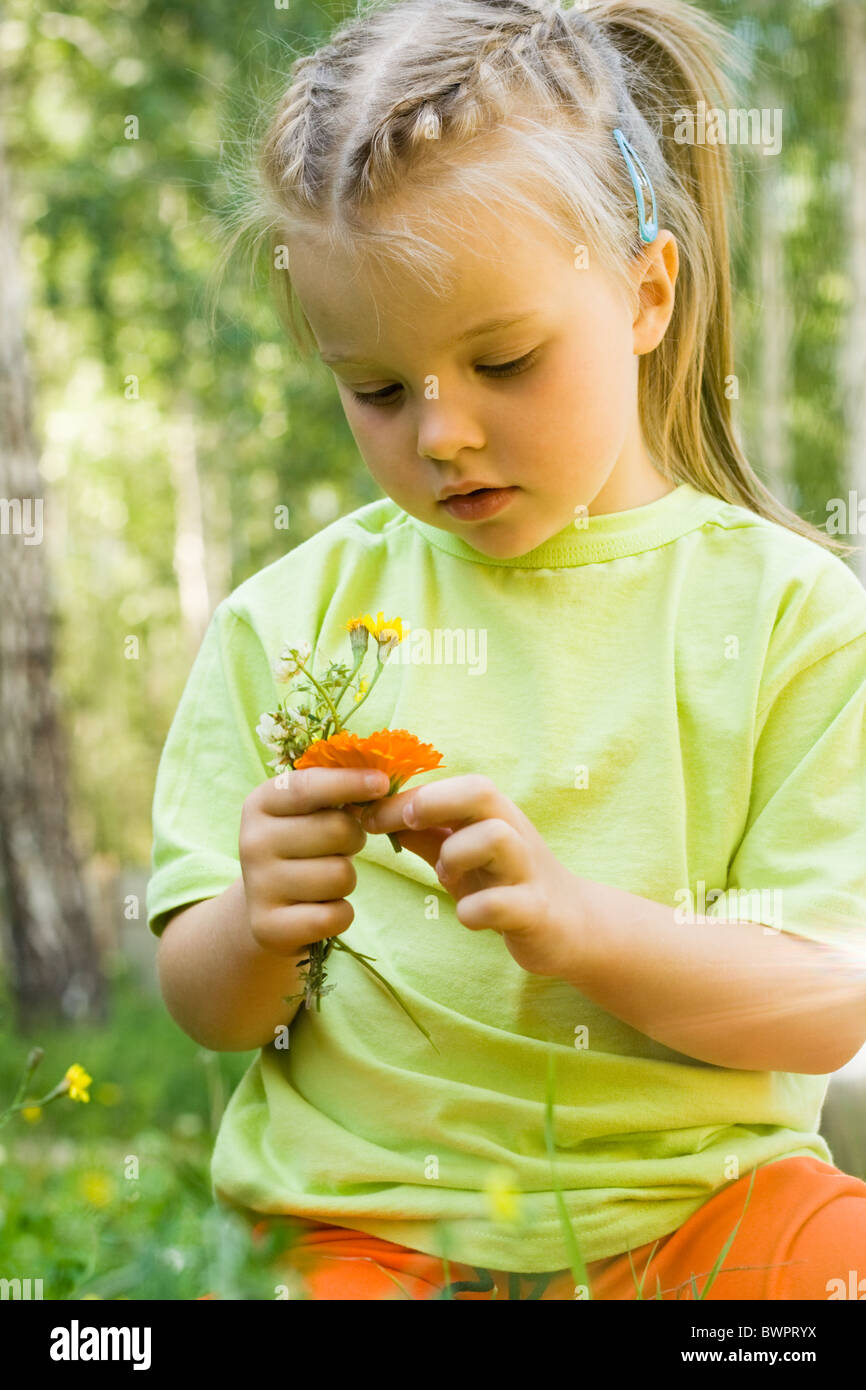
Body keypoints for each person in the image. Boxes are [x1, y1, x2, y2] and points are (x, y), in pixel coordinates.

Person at [147, 0, 866, 1300]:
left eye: (503, 359)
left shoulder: (791, 616)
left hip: (702, 1212)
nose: (441, 434)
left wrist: (579, 928)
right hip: (370, 1223)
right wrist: (259, 919)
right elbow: (211, 1006)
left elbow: (824, 1000)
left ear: (646, 295)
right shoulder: (287, 624)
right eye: (374, 387)